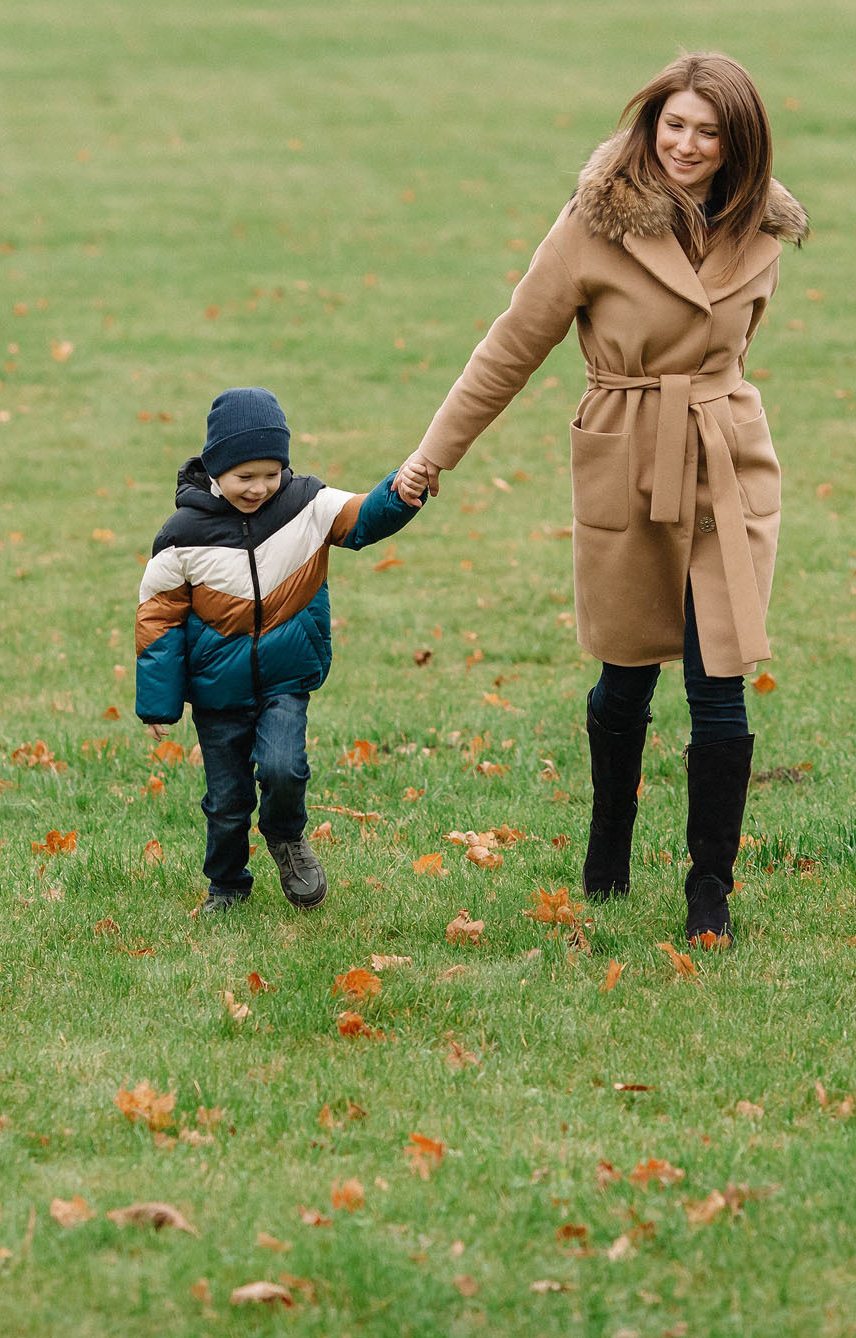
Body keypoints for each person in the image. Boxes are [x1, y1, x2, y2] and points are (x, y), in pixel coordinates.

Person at [396, 53, 806, 948]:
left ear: (739, 143)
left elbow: (734, 349)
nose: (687, 145)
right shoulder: (593, 223)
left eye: (709, 130)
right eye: (674, 124)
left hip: (729, 466)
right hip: (628, 458)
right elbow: (510, 348)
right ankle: (607, 854)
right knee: (624, 678)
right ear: (649, 120)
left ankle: (710, 895)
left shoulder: (759, 226)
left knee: (721, 683)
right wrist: (431, 458)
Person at [135, 388, 424, 914]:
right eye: (245, 477)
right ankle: (226, 885)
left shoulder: (307, 505)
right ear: (216, 470)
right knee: (226, 803)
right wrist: (160, 702)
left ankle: (287, 836)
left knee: (284, 767)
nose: (259, 488)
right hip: (217, 693)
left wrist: (400, 493)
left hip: (285, 678)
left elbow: (363, 517)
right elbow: (158, 616)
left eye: (271, 473)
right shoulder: (182, 535)